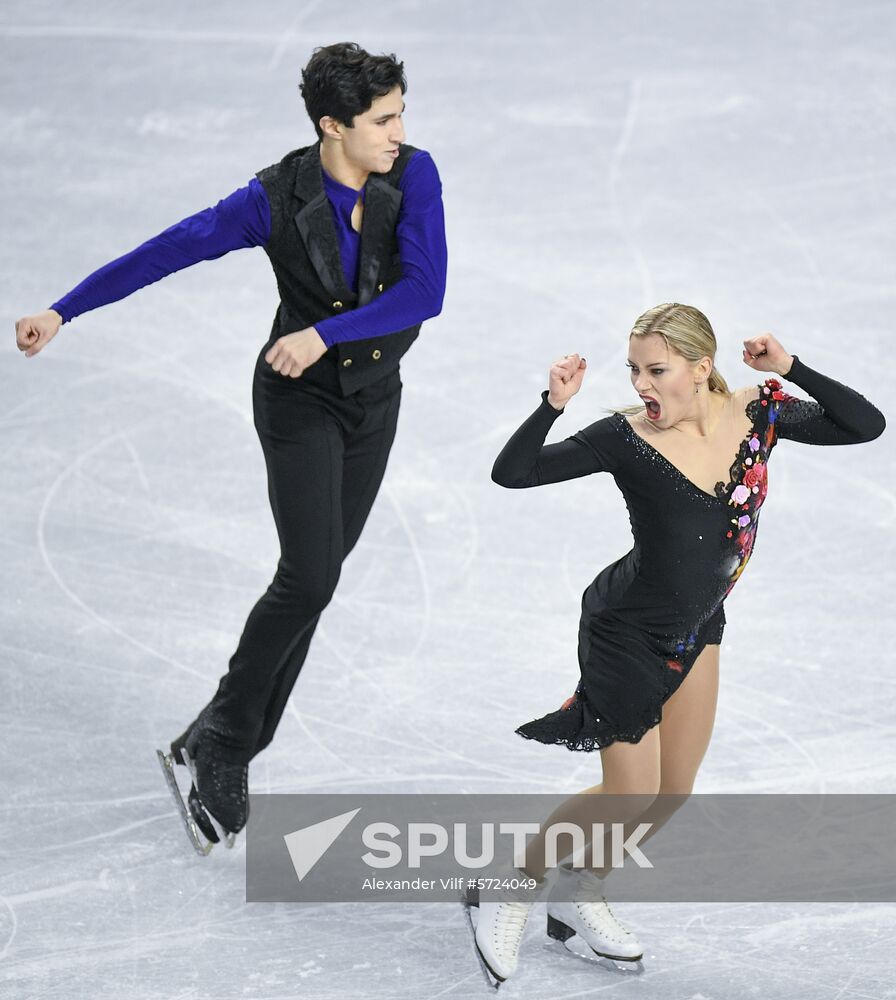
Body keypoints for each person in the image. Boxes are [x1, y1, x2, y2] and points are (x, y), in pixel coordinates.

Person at [14, 42, 447, 854]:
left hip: (371, 402)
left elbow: (428, 291)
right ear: (332, 124)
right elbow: (170, 247)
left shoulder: (412, 175)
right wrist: (65, 310)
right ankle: (227, 745)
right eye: (383, 119)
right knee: (308, 574)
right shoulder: (274, 199)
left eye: (401, 115)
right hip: (298, 403)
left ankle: (216, 726)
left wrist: (324, 333)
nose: (399, 131)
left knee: (316, 584)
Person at [470, 303, 884, 984]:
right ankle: (509, 889)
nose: (641, 384)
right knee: (628, 792)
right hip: (625, 629)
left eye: (656, 369)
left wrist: (791, 367)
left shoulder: (759, 412)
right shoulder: (623, 437)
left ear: (700, 368)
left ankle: (579, 894)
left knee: (671, 793)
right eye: (635, 369)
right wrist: (552, 404)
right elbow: (513, 472)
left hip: (699, 626)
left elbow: (866, 424)